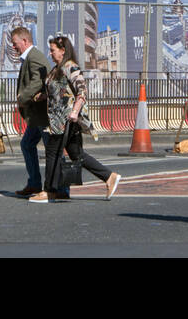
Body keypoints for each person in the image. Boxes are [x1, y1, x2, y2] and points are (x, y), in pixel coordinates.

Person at [30, 34, 122, 203]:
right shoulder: (56, 69)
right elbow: (57, 91)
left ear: (62, 51)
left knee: (52, 153)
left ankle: (49, 191)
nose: (50, 54)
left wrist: (74, 112)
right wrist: (41, 96)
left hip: (66, 120)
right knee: (76, 154)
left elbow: (82, 91)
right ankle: (109, 176)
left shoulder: (70, 67)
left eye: (52, 50)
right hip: (58, 119)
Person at [11, 26, 50, 198]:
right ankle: (34, 184)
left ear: (25, 41)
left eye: (15, 43)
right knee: (27, 144)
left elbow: (39, 81)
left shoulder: (35, 57)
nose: (13, 47)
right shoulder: (29, 58)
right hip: (36, 115)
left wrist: (22, 97)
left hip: (43, 113)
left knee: (53, 150)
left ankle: (60, 188)